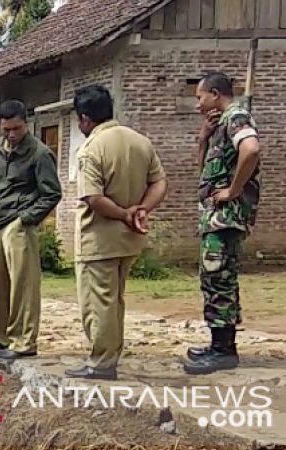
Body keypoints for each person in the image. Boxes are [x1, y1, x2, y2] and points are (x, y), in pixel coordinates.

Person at [65, 85, 168, 381]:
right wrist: (142, 210)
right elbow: (160, 182)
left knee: (97, 304)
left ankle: (101, 362)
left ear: (85, 118)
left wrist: (123, 213)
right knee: (114, 301)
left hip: (98, 239)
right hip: (130, 239)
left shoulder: (91, 149)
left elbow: (93, 198)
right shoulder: (139, 142)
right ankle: (109, 355)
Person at [186, 71, 262, 375]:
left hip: (227, 217)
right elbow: (203, 166)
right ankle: (220, 344)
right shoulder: (220, 124)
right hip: (215, 218)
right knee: (216, 278)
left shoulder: (237, 117)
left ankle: (223, 351)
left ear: (215, 94)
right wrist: (204, 136)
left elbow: (251, 149)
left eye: (200, 97)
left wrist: (233, 189)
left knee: (219, 277)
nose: (198, 105)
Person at [0, 100, 62, 360]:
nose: (12, 134)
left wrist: (26, 219)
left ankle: (24, 342)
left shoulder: (40, 154)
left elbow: (52, 194)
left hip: (19, 223)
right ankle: (0, 337)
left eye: (16, 128)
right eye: (6, 129)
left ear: (25, 124)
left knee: (23, 285)